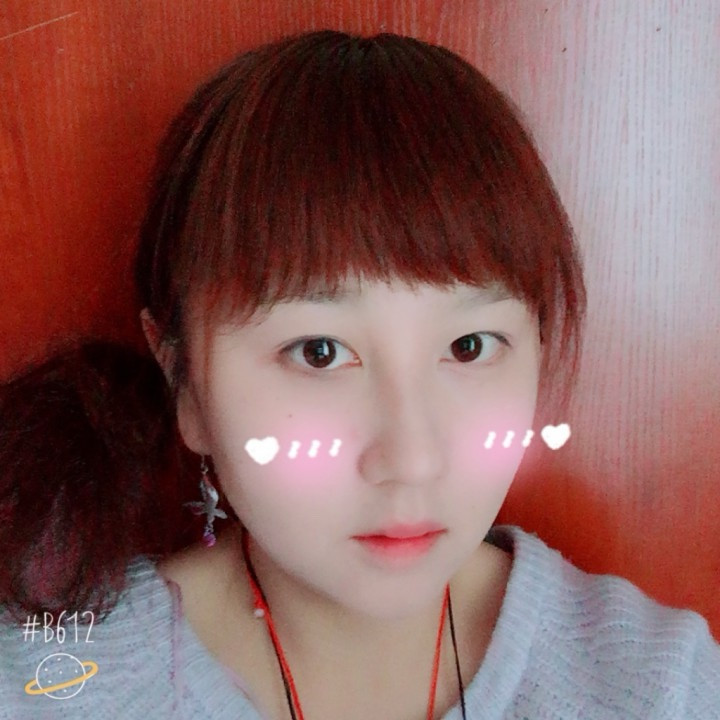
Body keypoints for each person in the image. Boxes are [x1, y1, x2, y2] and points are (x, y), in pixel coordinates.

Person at [0, 28, 718, 720]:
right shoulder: (44, 687)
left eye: (469, 346)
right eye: (319, 351)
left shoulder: (659, 689)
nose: (411, 459)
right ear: (183, 380)